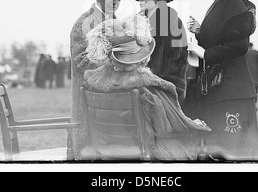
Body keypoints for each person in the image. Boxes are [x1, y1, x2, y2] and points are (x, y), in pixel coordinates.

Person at [84, 14, 210, 160]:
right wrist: (194, 125)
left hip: (107, 149)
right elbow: (164, 126)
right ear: (142, 57)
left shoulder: (93, 82)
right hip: (145, 150)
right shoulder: (147, 86)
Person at [184, 0, 258, 160]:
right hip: (225, 93)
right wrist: (199, 31)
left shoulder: (231, 3)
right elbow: (222, 38)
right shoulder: (224, 3)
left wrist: (204, 53)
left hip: (231, 94)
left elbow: (239, 46)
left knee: (231, 153)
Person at [70, 0, 130, 156]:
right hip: (88, 99)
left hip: (108, 101)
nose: (115, 1)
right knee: (90, 154)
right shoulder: (84, 23)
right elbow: (81, 60)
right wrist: (114, 62)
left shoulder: (116, 23)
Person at [128, 0, 188, 104]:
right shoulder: (136, 21)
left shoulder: (172, 21)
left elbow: (177, 63)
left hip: (162, 93)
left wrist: (162, 90)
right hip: (136, 90)